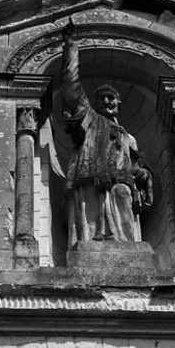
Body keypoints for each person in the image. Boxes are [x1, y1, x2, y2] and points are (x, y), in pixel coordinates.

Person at [58, 21, 153, 245]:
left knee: (122, 195)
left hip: (121, 182)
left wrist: (143, 175)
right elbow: (71, 88)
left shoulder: (128, 136)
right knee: (91, 222)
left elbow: (133, 163)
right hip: (91, 180)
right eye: (102, 98)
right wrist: (71, 48)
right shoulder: (90, 118)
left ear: (119, 103)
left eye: (111, 98)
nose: (107, 101)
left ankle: (128, 247)